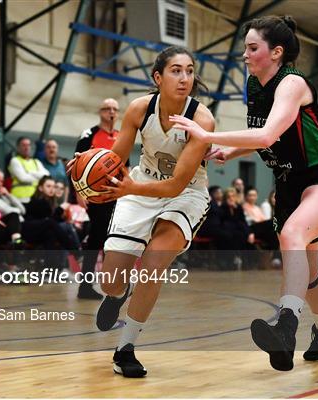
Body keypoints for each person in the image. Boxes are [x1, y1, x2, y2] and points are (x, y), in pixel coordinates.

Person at [170, 16, 318, 371]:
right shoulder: (256, 85)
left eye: (252, 48)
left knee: (292, 234)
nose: (245, 55)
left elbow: (268, 135)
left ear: (277, 52)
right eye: (245, 48)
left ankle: (286, 327)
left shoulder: (292, 83)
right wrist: (232, 151)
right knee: (309, 269)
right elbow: (266, 135)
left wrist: (209, 137)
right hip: (288, 183)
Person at [69, 46, 214, 377]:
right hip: (140, 188)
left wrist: (130, 188)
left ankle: (126, 348)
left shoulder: (201, 119)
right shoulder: (138, 109)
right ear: (158, 77)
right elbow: (117, 159)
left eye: (190, 71)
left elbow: (176, 185)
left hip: (186, 194)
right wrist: (86, 164)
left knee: (152, 264)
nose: (184, 78)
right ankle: (120, 293)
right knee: (109, 283)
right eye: (176, 71)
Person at [73, 98, 124, 300]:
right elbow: (77, 164)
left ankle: (112, 283)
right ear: (100, 112)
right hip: (95, 196)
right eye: (107, 109)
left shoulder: (122, 136)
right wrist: (79, 192)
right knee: (96, 238)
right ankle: (85, 286)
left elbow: (124, 166)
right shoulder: (89, 134)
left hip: (117, 194)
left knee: (114, 239)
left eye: (114, 109)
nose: (111, 112)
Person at [8, 137, 49, 204]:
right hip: (20, 198)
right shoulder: (15, 161)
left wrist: (30, 173)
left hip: (35, 198)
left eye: (28, 145)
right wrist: (39, 176)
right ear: (18, 147)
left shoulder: (36, 162)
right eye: (24, 145)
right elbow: (23, 178)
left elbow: (46, 176)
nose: (26, 148)